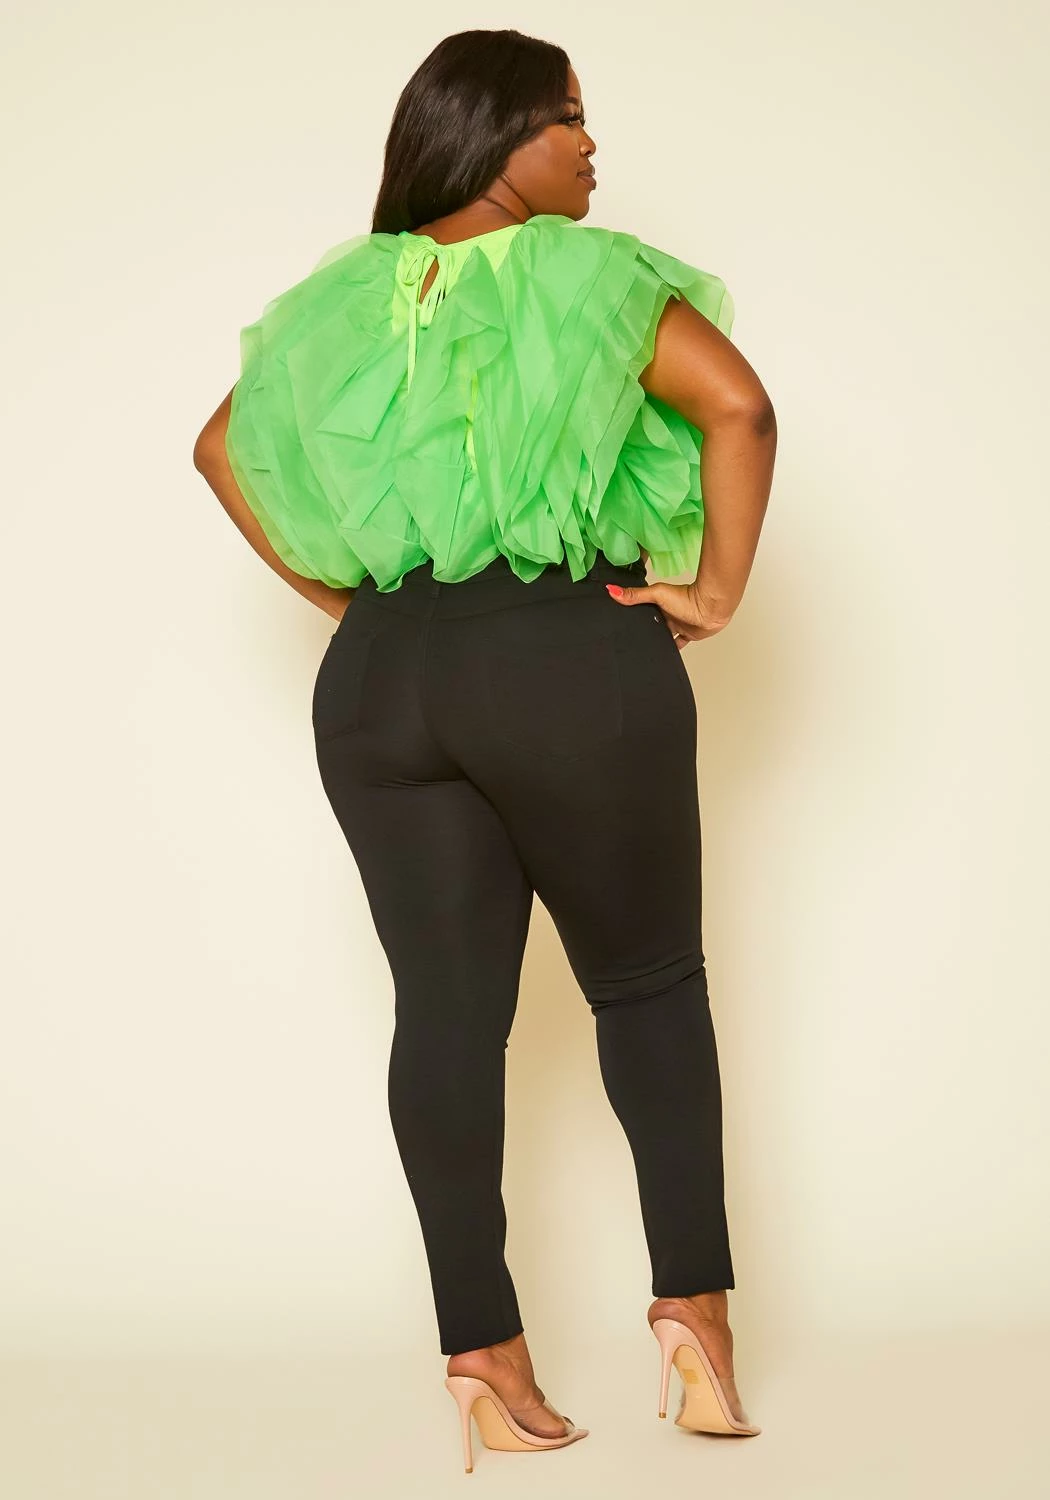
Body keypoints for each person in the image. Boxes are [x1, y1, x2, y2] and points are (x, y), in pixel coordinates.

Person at [193, 27, 776, 1472]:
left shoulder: (336, 300)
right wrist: (712, 592)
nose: (590, 145)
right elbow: (739, 408)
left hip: (382, 683)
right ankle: (695, 1326)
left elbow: (218, 448)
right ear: (494, 135)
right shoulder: (590, 276)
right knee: (647, 986)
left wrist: (366, 614)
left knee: (446, 1019)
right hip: (563, 655)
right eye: (567, 118)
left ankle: (484, 1361)